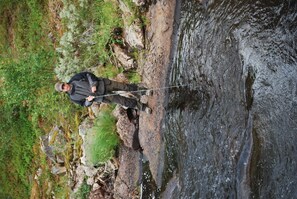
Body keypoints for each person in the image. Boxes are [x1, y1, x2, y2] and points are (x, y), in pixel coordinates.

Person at [55, 72, 152, 113]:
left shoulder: (74, 79)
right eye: (63, 88)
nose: (65, 87)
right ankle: (142, 107)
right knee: (123, 101)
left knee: (125, 87)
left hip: (104, 84)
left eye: (63, 85)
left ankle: (144, 91)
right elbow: (84, 104)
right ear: (63, 91)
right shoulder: (73, 98)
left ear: (64, 82)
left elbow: (88, 74)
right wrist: (89, 100)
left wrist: (93, 85)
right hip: (103, 97)